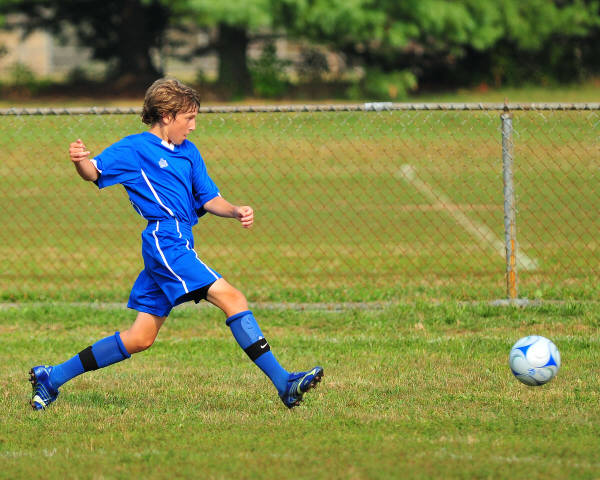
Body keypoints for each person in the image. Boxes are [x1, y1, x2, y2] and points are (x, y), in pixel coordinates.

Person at [29, 78, 323, 410]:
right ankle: (284, 383)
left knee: (140, 338)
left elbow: (209, 197)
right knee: (233, 298)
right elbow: (94, 172)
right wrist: (79, 161)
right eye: (189, 118)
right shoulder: (136, 148)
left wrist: (234, 210)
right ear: (167, 116)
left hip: (180, 239)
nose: (193, 126)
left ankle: (51, 377)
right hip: (165, 240)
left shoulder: (189, 152)